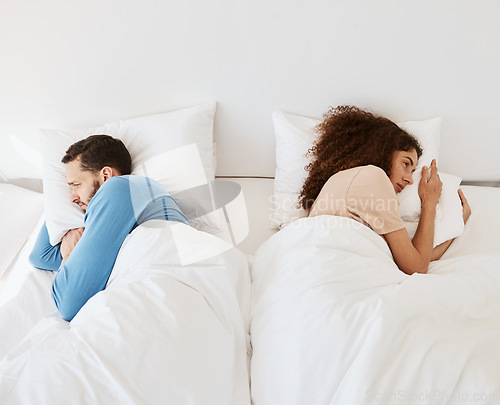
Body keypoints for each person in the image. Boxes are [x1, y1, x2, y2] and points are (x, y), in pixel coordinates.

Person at [29, 135, 189, 321]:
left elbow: (68, 303)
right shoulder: (121, 211)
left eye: (76, 185)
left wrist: (67, 257)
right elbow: (41, 256)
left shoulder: (121, 187)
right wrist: (60, 208)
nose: (72, 197)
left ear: (106, 175)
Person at [298, 105, 471, 275]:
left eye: (412, 171)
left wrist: (456, 228)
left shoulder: (343, 181)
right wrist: (429, 203)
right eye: (405, 164)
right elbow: (416, 267)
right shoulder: (374, 176)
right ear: (383, 152)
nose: (410, 180)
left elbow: (411, 259)